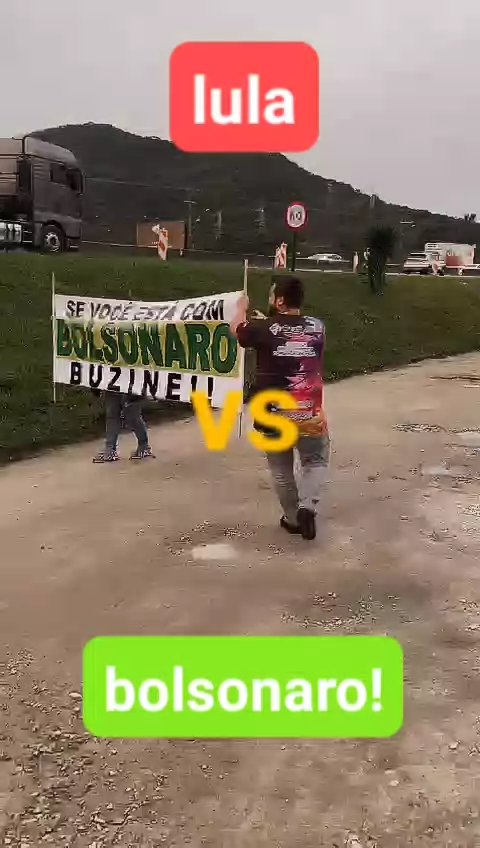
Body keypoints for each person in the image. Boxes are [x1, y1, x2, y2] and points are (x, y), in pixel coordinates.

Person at [230, 276, 330, 541]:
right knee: (315, 461)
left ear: (280, 300)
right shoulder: (317, 327)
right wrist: (269, 323)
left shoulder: (262, 329)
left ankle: (293, 520)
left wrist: (241, 308)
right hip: (308, 411)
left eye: (272, 294)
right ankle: (308, 506)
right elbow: (288, 335)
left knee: (281, 469)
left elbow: (237, 330)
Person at [92, 391, 155, 463]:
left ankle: (144, 446)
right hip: (112, 387)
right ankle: (110, 450)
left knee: (132, 415)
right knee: (112, 415)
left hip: (128, 387)